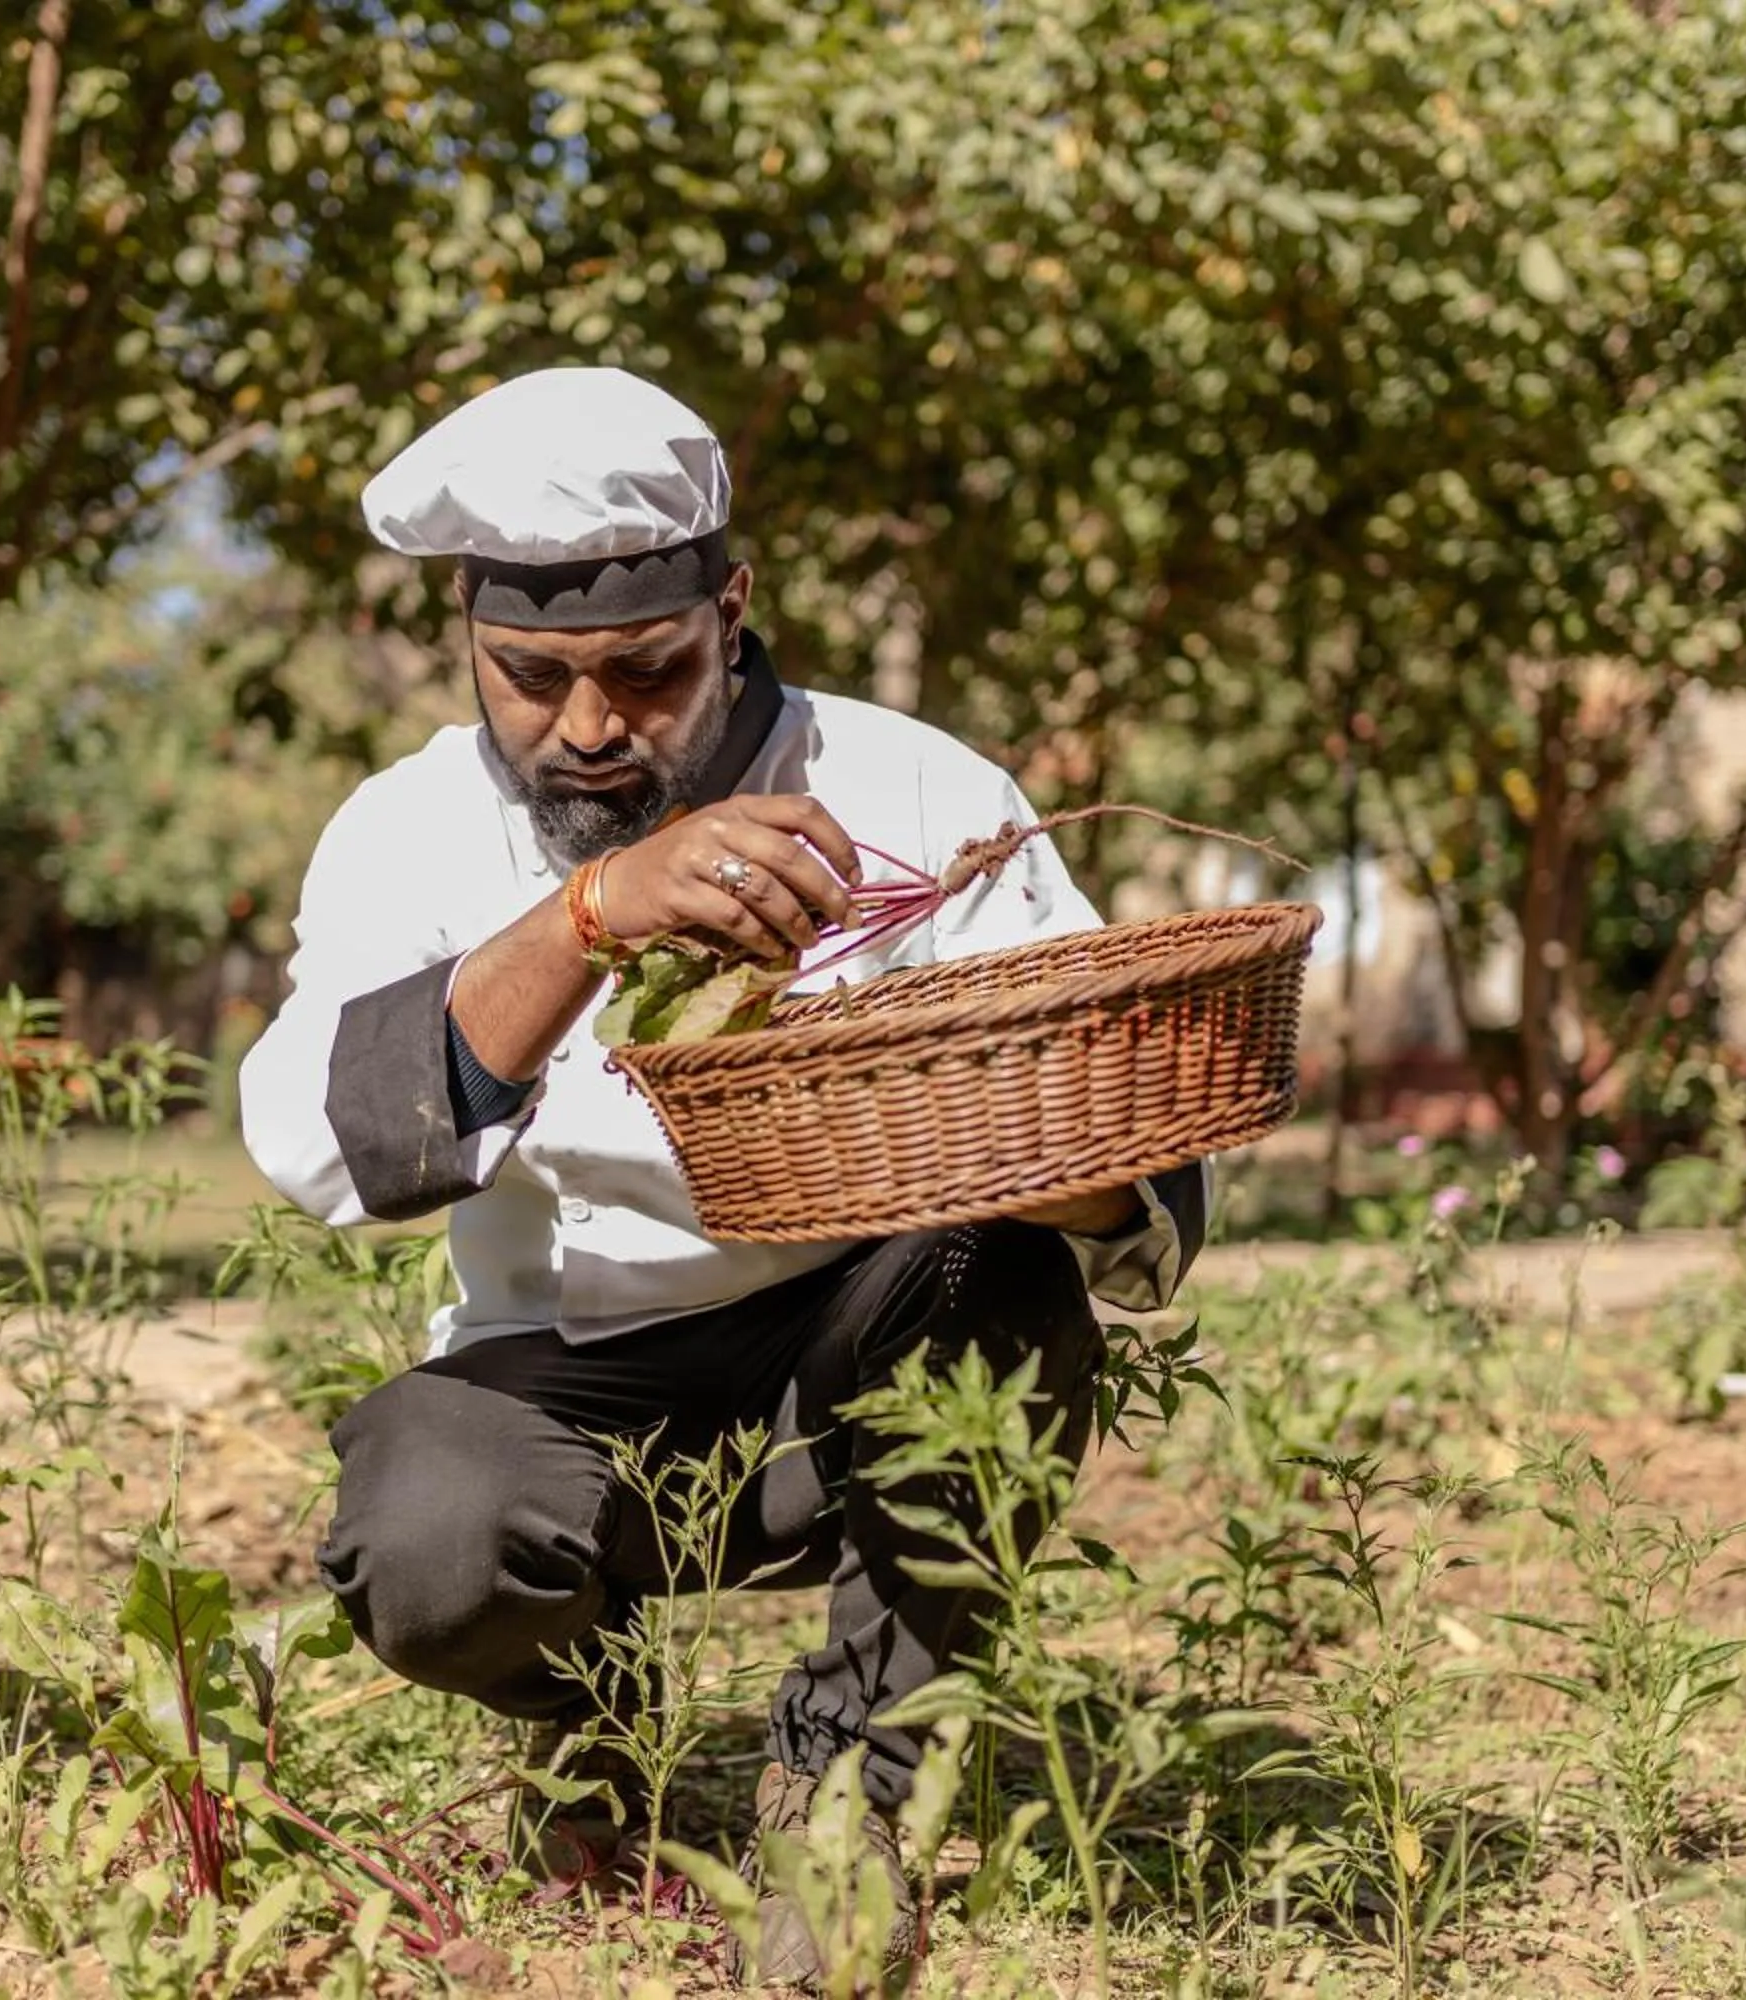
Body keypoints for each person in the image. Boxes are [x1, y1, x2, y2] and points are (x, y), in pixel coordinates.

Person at [238, 366, 1205, 1987]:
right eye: (530, 678)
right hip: (558, 1382)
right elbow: (321, 1145)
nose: (592, 725)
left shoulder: (924, 795)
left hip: (855, 1361)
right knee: (425, 1538)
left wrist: (1065, 1169)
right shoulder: (406, 830)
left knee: (1014, 1292)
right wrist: (591, 914)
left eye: (647, 669)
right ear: (468, 644)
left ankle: (848, 1798)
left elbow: (1147, 1211)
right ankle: (582, 1726)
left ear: (734, 608)